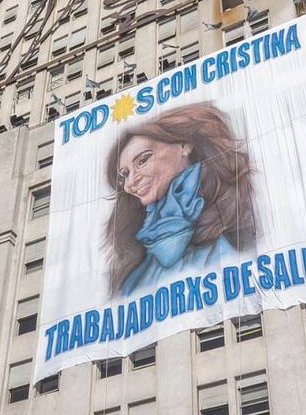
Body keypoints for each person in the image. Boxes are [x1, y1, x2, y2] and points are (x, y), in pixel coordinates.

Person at [104, 102, 255, 296]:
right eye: (124, 174)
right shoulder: (136, 245)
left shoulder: (234, 210)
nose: (130, 182)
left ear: (184, 145)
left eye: (143, 160)